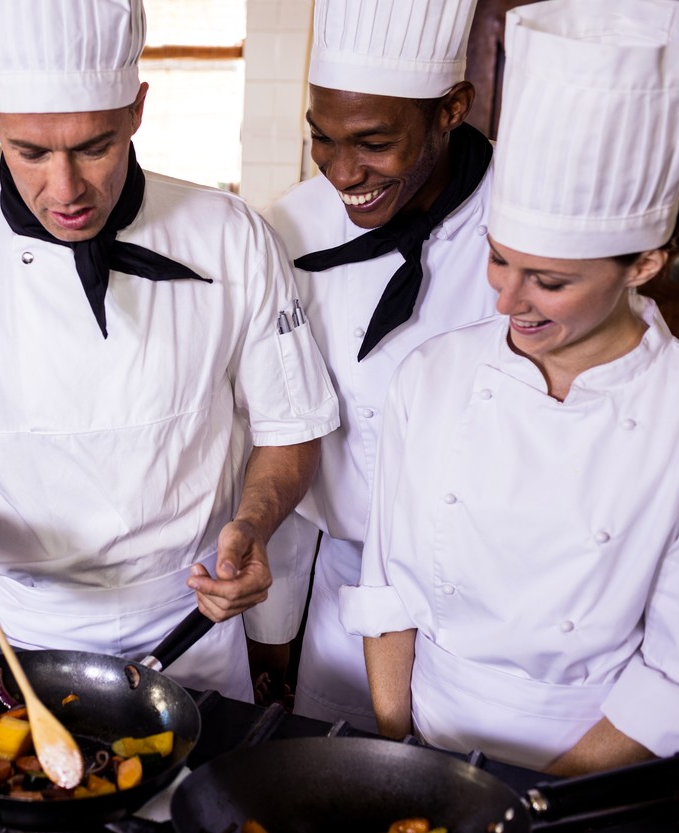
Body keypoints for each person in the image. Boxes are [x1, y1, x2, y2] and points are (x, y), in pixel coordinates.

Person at [0, 0, 338, 702]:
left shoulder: (231, 235)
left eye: (93, 147)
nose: (66, 189)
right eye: (31, 153)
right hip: (22, 638)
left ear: (138, 109)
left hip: (193, 623)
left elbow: (290, 429)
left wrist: (254, 523)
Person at [341, 0, 679, 774]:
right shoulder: (435, 371)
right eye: (498, 258)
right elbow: (388, 589)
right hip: (426, 740)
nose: (506, 301)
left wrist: (529, 806)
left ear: (642, 264)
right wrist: (399, 754)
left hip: (596, 769)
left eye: (548, 280)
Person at [263, 0, 497, 729]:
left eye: (372, 141)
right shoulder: (290, 227)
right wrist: (271, 638)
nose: (341, 169)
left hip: (498, 601)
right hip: (346, 599)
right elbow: (283, 430)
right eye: (321, 139)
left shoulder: (526, 238)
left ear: (452, 107)